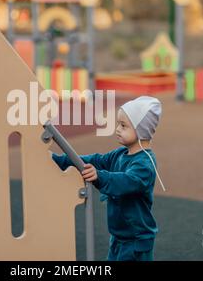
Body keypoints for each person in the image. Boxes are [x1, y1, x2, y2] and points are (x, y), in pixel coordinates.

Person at [52, 96, 164, 261]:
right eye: (119, 124)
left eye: (124, 126)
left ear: (142, 130)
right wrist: (60, 160)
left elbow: (127, 181)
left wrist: (100, 176)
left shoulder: (145, 164)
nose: (117, 129)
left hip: (136, 241)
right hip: (119, 237)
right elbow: (96, 160)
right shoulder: (120, 154)